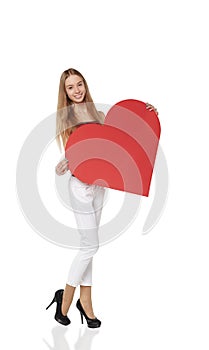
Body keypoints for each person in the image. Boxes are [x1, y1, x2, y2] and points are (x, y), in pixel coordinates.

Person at [46, 68, 158, 328]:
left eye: (80, 84)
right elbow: (76, 150)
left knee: (90, 245)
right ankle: (65, 300)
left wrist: (147, 113)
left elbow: (109, 146)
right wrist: (63, 164)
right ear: (65, 93)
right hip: (80, 188)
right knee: (90, 246)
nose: (77, 90)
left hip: (99, 187)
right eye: (71, 87)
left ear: (85, 85)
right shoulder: (66, 117)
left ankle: (86, 302)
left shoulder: (99, 115)